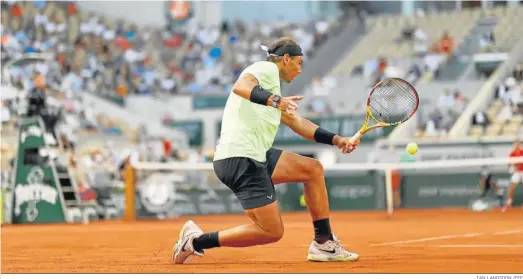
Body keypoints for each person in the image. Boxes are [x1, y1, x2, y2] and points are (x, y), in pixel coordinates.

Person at [172, 37, 360, 264]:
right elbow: (240, 86)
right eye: (299, 63)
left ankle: (324, 243)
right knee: (271, 231)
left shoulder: (274, 91)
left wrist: (337, 139)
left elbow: (299, 123)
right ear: (286, 59)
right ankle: (195, 241)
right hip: (240, 158)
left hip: (255, 154)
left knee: (313, 169)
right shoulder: (266, 68)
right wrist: (274, 100)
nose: (301, 69)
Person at [502, 140, 523, 212]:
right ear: (514, 145)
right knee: (511, 188)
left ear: (519, 144)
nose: (517, 145)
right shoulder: (512, 153)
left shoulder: (522, 152)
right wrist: (514, 166)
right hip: (516, 173)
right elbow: (509, 163)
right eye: (516, 144)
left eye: (518, 144)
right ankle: (509, 202)